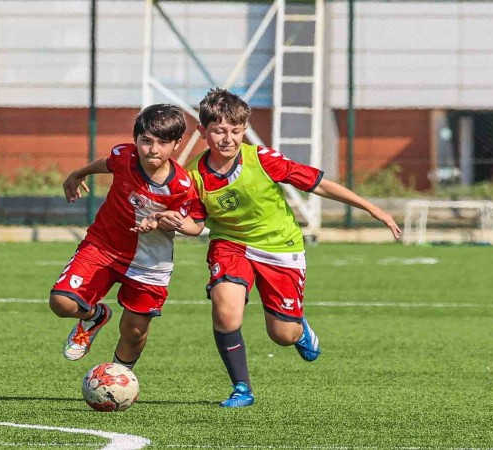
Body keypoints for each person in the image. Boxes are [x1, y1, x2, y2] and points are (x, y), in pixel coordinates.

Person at [160, 88, 401, 407]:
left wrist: (372, 208)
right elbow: (196, 225)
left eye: (235, 130)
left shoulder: (262, 159)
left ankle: (299, 329)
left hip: (280, 247)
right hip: (230, 244)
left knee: (282, 335)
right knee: (225, 311)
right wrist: (176, 222)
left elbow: (319, 184)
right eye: (219, 131)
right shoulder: (192, 174)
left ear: (244, 130)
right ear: (203, 132)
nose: (228, 139)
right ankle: (242, 389)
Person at [50, 104, 205, 370]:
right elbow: (107, 163)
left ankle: (119, 378)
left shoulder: (180, 186)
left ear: (177, 144)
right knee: (62, 302)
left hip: (150, 262)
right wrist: (79, 173)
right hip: (102, 246)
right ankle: (95, 315)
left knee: (134, 332)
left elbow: (195, 226)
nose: (153, 149)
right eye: (146, 141)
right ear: (136, 139)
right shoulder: (124, 155)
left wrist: (166, 219)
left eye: (163, 143)